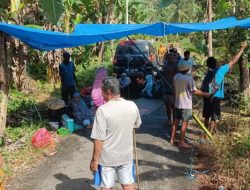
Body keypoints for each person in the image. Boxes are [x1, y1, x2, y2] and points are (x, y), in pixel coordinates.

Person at [90, 77, 142, 190]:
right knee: (128, 185)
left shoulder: (102, 110)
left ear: (108, 92)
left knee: (107, 187)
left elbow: (99, 139)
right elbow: (137, 124)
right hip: (126, 156)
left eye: (102, 91)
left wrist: (95, 160)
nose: (102, 95)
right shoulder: (132, 105)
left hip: (108, 158)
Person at [201, 41, 248, 134]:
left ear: (208, 65)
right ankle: (209, 134)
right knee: (214, 117)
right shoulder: (220, 70)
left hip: (207, 96)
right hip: (215, 97)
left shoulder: (207, 74)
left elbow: (203, 86)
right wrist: (242, 48)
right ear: (216, 63)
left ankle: (205, 132)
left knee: (207, 116)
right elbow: (234, 60)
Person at [170, 61, 211, 148]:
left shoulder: (176, 77)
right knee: (184, 123)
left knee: (175, 122)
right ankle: (181, 142)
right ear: (188, 69)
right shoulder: (189, 79)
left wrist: (175, 98)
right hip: (186, 105)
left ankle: (172, 139)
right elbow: (194, 91)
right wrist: (205, 94)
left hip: (177, 103)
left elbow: (174, 89)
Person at [162, 54, 177, 126]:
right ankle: (169, 120)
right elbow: (162, 75)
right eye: (170, 57)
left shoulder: (176, 66)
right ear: (168, 58)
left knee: (173, 106)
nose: (172, 58)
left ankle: (174, 121)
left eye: (173, 57)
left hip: (173, 88)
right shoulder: (165, 66)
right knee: (167, 106)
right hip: (166, 88)